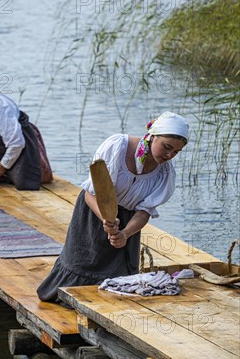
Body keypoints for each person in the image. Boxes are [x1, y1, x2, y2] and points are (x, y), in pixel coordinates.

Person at [37, 111, 189, 302]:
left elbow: (144, 211)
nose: (169, 155)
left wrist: (125, 233)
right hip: (94, 212)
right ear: (152, 136)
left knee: (120, 278)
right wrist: (107, 220)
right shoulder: (118, 146)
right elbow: (90, 193)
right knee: (83, 261)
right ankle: (67, 297)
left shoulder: (165, 174)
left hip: (128, 223)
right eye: (167, 147)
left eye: (176, 152)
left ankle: (105, 307)